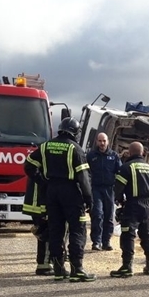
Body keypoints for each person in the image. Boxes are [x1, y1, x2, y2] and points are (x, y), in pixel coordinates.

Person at [24, 117, 95, 282]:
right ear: (75, 132)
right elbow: (83, 178)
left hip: (52, 192)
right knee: (78, 229)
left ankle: (58, 268)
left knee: (56, 230)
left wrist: (43, 182)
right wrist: (89, 199)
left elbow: (28, 166)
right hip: (71, 192)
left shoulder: (46, 146)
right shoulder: (75, 149)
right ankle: (77, 269)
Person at [110, 141, 149, 278]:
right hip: (148, 205)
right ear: (142, 152)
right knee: (146, 235)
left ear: (129, 152)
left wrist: (120, 202)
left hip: (133, 204)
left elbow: (118, 189)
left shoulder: (126, 168)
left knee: (128, 235)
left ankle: (127, 266)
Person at [86, 132, 121, 251]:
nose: (102, 143)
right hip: (96, 189)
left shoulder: (114, 156)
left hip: (109, 190)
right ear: (96, 141)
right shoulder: (91, 156)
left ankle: (106, 241)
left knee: (109, 216)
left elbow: (120, 173)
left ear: (108, 142)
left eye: (104, 141)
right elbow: (86, 173)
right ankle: (96, 241)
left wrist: (120, 191)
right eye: (100, 141)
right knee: (97, 214)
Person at [21, 161, 53, 276]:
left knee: (46, 230)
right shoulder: (44, 152)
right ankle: (44, 264)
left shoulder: (43, 151)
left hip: (39, 201)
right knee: (47, 231)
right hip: (39, 203)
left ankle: (49, 260)